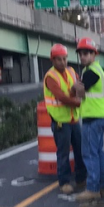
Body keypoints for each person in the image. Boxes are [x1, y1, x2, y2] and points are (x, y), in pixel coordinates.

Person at [44, 43, 87, 194]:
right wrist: (77, 101)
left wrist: (79, 93)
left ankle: (81, 178)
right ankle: (64, 182)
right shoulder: (50, 76)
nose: (63, 62)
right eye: (59, 60)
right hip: (60, 121)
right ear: (52, 60)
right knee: (63, 153)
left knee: (80, 149)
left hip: (73, 119)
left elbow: (79, 87)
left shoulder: (71, 71)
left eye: (64, 59)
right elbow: (61, 96)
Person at [72, 38, 104, 202]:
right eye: (81, 54)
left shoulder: (91, 72)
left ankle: (93, 188)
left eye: (86, 53)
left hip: (93, 118)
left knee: (89, 153)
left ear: (94, 55)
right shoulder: (96, 70)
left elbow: (78, 91)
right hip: (100, 117)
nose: (83, 56)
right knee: (98, 153)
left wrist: (75, 86)